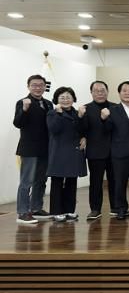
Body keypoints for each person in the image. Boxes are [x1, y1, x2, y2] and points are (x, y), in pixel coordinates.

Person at [13, 74, 53, 224]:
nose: (37, 88)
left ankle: (36, 208)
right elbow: (17, 123)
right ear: (28, 86)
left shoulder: (48, 103)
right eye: (34, 85)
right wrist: (24, 109)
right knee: (26, 182)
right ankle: (22, 212)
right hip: (29, 149)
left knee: (41, 181)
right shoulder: (22, 102)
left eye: (40, 85)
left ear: (44, 87)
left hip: (45, 148)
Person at [102, 81, 129, 220]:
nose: (127, 93)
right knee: (119, 182)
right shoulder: (112, 110)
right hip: (119, 151)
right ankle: (121, 208)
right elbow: (107, 130)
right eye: (124, 90)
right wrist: (104, 119)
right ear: (119, 93)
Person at [46, 87, 87, 222]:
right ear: (57, 99)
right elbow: (54, 129)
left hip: (74, 151)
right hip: (59, 151)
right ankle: (56, 211)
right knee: (57, 181)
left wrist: (84, 136)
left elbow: (83, 129)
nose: (65, 100)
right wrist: (58, 114)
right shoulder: (52, 113)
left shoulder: (77, 113)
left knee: (71, 181)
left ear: (73, 99)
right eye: (62, 97)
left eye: (68, 97)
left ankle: (69, 210)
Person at [79, 81, 116, 220]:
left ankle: (116, 207)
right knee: (95, 182)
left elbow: (118, 128)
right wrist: (80, 117)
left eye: (102, 90)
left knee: (115, 181)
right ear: (91, 93)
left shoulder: (116, 107)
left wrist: (105, 119)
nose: (100, 93)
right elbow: (81, 130)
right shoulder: (85, 109)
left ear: (107, 91)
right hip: (95, 151)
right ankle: (95, 209)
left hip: (114, 151)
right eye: (96, 91)